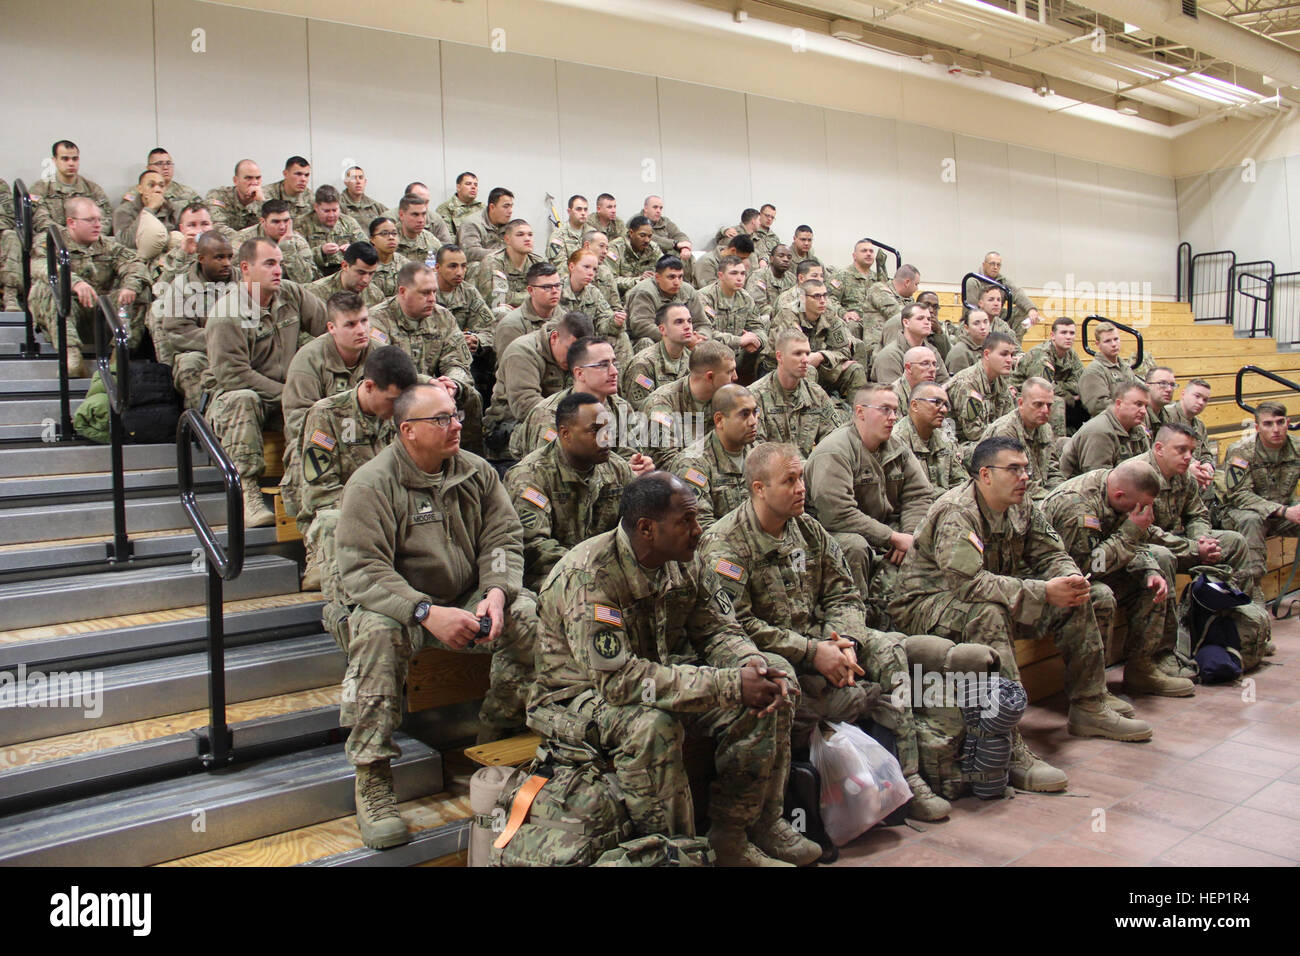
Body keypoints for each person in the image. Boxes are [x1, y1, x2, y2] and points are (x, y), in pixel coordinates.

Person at [528, 471, 808, 866]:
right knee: (652, 725)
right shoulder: (589, 576)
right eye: (686, 521)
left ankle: (736, 833)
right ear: (646, 528)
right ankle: (674, 853)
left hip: (655, 678)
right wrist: (729, 685)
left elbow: (718, 630)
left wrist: (751, 664)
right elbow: (618, 681)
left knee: (773, 684)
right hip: (576, 700)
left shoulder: (684, 560)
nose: (698, 530)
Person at [698, 441, 952, 821]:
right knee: (779, 678)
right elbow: (736, 625)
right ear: (759, 489)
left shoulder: (807, 528)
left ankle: (908, 777)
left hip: (824, 643)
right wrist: (812, 652)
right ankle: (780, 812)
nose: (802, 488)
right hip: (777, 652)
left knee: (887, 650)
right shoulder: (725, 546)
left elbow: (844, 592)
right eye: (790, 481)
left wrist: (843, 642)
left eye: (801, 478)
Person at [889, 437, 1155, 793]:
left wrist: (1068, 576)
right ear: (985, 474)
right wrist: (1043, 591)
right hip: (926, 605)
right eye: (1013, 469)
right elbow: (968, 586)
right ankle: (1008, 745)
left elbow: (1050, 552)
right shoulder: (958, 511)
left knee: (1083, 598)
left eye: (1026, 468)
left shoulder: (1021, 504)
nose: (1024, 477)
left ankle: (1089, 705)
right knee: (988, 614)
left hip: (985, 595)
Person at [336, 381, 539, 847]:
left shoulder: (476, 471)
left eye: (456, 416)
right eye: (442, 419)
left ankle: (503, 728)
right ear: (408, 430)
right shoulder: (373, 483)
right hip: (402, 608)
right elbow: (363, 572)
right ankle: (373, 776)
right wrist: (425, 611)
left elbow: (504, 538)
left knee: (529, 613)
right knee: (375, 634)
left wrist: (496, 592)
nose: (456, 425)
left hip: (467, 596)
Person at [1042, 460, 1195, 698]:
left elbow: (1134, 543)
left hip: (1092, 568)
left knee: (1150, 584)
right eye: (1141, 507)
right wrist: (1131, 531)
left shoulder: (1121, 494)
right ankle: (1093, 690)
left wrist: (1150, 571)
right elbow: (1085, 567)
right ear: (1119, 495)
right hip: (1059, 580)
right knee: (1100, 594)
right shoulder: (1076, 505)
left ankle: (1141, 669)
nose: (1147, 514)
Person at [203, 238, 328, 527]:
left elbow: (329, 327)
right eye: (269, 263)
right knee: (242, 399)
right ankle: (247, 493)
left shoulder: (291, 294)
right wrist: (291, 395)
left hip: (283, 396)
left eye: (280, 263)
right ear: (245, 268)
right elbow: (233, 375)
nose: (278, 270)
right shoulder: (227, 313)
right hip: (236, 400)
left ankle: (314, 489)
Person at [299, 345, 416, 616]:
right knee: (334, 521)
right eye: (393, 400)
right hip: (342, 510)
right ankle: (350, 615)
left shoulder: (402, 414)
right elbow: (319, 491)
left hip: (391, 509)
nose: (399, 409)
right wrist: (374, 509)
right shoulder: (326, 415)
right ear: (369, 387)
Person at [804, 383, 935, 622]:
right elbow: (837, 514)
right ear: (860, 412)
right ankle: (856, 618)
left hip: (884, 530)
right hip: (833, 533)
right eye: (884, 409)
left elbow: (919, 495)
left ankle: (910, 615)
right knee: (855, 545)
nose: (893, 417)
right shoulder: (835, 451)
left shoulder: (896, 448)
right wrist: (892, 538)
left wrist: (909, 535)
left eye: (895, 410)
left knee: (928, 537)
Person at [280, 290, 384, 547]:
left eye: (364, 321)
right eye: (350, 324)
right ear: (331, 328)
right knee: (303, 455)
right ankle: (317, 545)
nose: (360, 329)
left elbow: (400, 397)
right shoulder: (309, 359)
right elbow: (297, 422)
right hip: (322, 440)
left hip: (371, 437)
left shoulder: (380, 354)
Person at [505, 391, 634, 590]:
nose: (606, 438)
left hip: (607, 571)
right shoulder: (530, 476)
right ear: (566, 434)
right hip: (550, 578)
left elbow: (632, 525)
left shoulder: (617, 468)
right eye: (595, 430)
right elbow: (534, 546)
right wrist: (593, 568)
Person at [368, 262, 483, 455]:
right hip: (396, 388)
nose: (432, 299)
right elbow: (386, 368)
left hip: (438, 388)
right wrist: (429, 384)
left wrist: (452, 383)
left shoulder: (443, 316)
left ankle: (467, 457)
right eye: (424, 293)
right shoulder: (378, 319)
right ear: (403, 291)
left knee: (470, 396)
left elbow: (457, 360)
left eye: (434, 292)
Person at [29, 197, 148, 377]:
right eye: (90, 220)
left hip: (99, 315)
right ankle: (72, 356)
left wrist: (129, 287)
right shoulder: (52, 241)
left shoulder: (107, 245)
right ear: (71, 222)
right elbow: (39, 265)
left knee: (139, 289)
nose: (98, 225)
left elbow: (136, 264)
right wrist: (74, 282)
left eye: (99, 219)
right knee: (47, 287)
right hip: (65, 316)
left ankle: (119, 357)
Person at [1136, 422, 1253, 598]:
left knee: (1234, 541)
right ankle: (1174, 622)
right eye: (1181, 450)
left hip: (1180, 542)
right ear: (1159, 448)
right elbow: (1145, 532)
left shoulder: (1184, 475)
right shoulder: (1139, 475)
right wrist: (1196, 548)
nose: (1188, 457)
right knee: (1162, 556)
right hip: (1145, 547)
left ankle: (1238, 606)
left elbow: (1197, 514)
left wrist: (1202, 540)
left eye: (1191, 451)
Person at [510, 337, 654, 470]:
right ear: (579, 373)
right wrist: (620, 471)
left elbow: (629, 453)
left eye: (614, 363)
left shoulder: (620, 406)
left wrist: (637, 465)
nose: (614, 371)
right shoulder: (549, 414)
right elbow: (546, 470)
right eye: (603, 365)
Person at [1216, 401, 1300, 593]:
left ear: (1288, 422)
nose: (1276, 429)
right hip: (1242, 513)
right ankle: (1252, 591)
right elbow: (1239, 495)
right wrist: (1284, 511)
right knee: (1251, 520)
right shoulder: (1241, 451)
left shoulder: (1297, 447)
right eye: (1268, 424)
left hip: (1281, 511)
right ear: (1257, 427)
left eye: (1280, 422)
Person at [484, 311, 594, 443]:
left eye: (581, 352)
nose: (575, 358)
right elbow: (525, 406)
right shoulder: (521, 353)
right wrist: (576, 422)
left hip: (561, 419)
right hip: (511, 429)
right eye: (571, 350)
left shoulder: (580, 356)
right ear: (554, 337)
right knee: (562, 441)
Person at [668, 383, 760, 531]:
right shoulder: (693, 464)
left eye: (755, 412)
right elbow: (701, 528)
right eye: (744, 414)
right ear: (719, 420)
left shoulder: (760, 454)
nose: (753, 421)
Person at [158, 230, 234, 407]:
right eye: (219, 258)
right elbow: (178, 331)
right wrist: (223, 341)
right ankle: (200, 426)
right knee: (189, 364)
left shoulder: (245, 282)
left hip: (244, 351)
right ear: (201, 259)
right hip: (201, 353)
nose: (227, 263)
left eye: (230, 257)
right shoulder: (181, 286)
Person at [750, 328, 844, 457]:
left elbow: (835, 438)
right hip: (772, 471)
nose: (805, 359)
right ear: (779, 356)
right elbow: (756, 450)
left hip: (809, 472)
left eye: (807, 353)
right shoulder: (754, 396)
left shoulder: (816, 395)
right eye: (798, 353)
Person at [642, 340, 738, 466]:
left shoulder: (726, 398)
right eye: (729, 372)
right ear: (710, 377)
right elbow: (666, 462)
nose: (735, 377)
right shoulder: (661, 404)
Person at [771, 279, 866, 403]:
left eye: (825, 295)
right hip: (785, 370)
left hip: (821, 368)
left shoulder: (829, 314)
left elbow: (843, 351)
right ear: (803, 299)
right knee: (808, 369)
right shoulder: (788, 314)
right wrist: (810, 360)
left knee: (856, 370)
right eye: (816, 296)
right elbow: (788, 354)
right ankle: (808, 415)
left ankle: (857, 417)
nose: (822, 300)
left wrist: (822, 356)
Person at [982, 377, 1062, 501]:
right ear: (1020, 403)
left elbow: (1053, 470)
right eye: (1038, 404)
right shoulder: (1005, 431)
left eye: (1049, 405)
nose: (1045, 410)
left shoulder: (1045, 428)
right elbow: (1011, 480)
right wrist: (1051, 499)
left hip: (1041, 494)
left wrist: (1061, 493)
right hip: (1011, 498)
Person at [1060, 381, 1152, 478]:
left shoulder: (1137, 429)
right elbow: (1098, 482)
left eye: (1146, 406)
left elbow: (1148, 470)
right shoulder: (1099, 431)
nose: (1144, 411)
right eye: (1138, 404)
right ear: (1119, 403)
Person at [695, 254, 766, 380]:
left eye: (743, 273)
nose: (739, 278)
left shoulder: (745, 297)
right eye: (734, 273)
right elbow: (706, 334)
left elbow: (758, 326)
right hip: (712, 357)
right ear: (721, 275)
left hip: (738, 355)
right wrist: (739, 341)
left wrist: (757, 341)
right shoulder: (705, 297)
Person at [1012, 316, 1084, 437]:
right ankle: (1055, 446)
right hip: (1021, 394)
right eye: (1063, 332)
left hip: (1054, 395)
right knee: (1056, 402)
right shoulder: (1041, 354)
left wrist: (1059, 386)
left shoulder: (1071, 354)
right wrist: (1069, 396)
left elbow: (1081, 382)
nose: (1068, 337)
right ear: (1052, 335)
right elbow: (1043, 389)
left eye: (1072, 333)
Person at [945, 331, 1017, 453]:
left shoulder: (999, 381)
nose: (1010, 360)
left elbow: (1010, 418)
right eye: (1004, 354)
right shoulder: (968, 383)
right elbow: (974, 433)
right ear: (987, 354)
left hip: (990, 440)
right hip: (961, 447)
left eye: (1011, 355)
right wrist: (1006, 434)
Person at [892, 382, 965, 491]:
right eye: (937, 402)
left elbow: (960, 481)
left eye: (946, 404)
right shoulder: (896, 442)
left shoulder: (943, 439)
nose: (944, 410)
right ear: (915, 406)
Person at [624, 254, 707, 351]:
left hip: (683, 338)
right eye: (671, 277)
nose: (677, 282)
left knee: (710, 344)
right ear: (657, 277)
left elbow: (702, 323)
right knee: (646, 342)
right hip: (650, 340)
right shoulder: (644, 292)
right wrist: (680, 338)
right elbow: (642, 327)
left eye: (680, 277)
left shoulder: (688, 290)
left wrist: (700, 338)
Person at [561, 248, 629, 366]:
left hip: (587, 341)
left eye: (594, 269)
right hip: (562, 341)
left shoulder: (593, 292)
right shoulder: (557, 289)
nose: (591, 273)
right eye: (586, 267)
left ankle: (618, 380)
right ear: (571, 267)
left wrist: (614, 321)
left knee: (621, 337)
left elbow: (603, 319)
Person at [621, 302, 696, 408]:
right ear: (662, 329)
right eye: (679, 322)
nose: (687, 327)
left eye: (689, 321)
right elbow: (641, 410)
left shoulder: (694, 360)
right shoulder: (643, 364)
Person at [31, 140, 111, 234]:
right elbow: (41, 220)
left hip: (88, 240)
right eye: (65, 159)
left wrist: (86, 236)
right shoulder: (41, 189)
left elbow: (105, 220)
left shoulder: (92, 190)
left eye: (75, 159)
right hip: (54, 240)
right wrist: (70, 236)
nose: (71, 163)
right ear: (54, 161)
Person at [432, 244, 495, 358]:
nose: (459, 272)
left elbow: (490, 328)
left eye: (463, 266)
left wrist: (476, 340)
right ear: (437, 267)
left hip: (462, 355)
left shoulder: (469, 292)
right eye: (453, 266)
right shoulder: (425, 291)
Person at [474, 219, 545, 320]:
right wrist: (535, 297)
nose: (527, 239)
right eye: (520, 235)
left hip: (529, 311)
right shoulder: (493, 262)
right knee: (502, 312)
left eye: (530, 235)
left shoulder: (538, 262)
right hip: (494, 318)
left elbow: (547, 293)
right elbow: (496, 299)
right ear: (507, 239)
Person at [233, 199, 316, 284]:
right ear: (263, 222)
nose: (282, 227)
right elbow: (235, 275)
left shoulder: (297, 240)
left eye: (286, 221)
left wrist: (287, 248)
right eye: (276, 222)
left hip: (287, 292)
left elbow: (306, 280)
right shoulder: (243, 239)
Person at [962, 252, 1041, 341]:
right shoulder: (973, 281)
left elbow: (1018, 293)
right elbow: (970, 311)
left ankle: (1014, 344)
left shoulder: (1003, 281)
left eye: (998, 265)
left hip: (997, 317)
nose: (995, 267)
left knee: (1024, 310)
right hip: (978, 319)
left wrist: (1031, 309)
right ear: (984, 265)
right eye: (992, 264)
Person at [493, 261, 563, 358]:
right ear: (531, 290)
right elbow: (509, 366)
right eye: (547, 287)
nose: (555, 291)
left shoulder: (567, 321)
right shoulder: (512, 325)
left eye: (558, 285)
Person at [871, 303, 949, 386]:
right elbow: (891, 393)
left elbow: (944, 383)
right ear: (906, 322)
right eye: (920, 318)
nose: (927, 322)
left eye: (929, 319)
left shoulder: (932, 351)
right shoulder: (889, 355)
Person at [297, 185, 365, 275]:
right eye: (326, 211)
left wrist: (353, 250)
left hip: (345, 274)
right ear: (316, 207)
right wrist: (321, 252)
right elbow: (296, 259)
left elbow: (367, 249)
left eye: (335, 210)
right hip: (314, 276)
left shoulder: (349, 222)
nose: (331, 215)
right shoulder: (301, 224)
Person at [1080, 322, 1139, 417]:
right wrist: (1131, 407)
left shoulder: (1125, 367)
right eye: (1107, 341)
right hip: (1109, 424)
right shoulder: (1094, 371)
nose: (1114, 344)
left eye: (1116, 339)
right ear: (1098, 344)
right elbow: (1098, 407)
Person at [303, 240, 384, 309]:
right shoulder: (316, 293)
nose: (366, 280)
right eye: (361, 272)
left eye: (371, 273)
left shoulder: (375, 295)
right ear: (345, 266)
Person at [112, 168, 178, 250]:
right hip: (135, 258)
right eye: (151, 185)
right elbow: (126, 242)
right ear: (140, 189)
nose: (157, 190)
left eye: (161, 186)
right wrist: (149, 209)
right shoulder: (123, 211)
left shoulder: (173, 209)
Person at [607, 215, 664, 297]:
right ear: (631, 233)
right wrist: (638, 280)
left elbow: (665, 269)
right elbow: (610, 281)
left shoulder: (653, 248)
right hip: (620, 297)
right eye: (642, 235)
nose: (647, 240)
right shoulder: (615, 248)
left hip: (649, 293)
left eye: (649, 236)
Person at [206, 159, 265, 235]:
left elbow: (273, 229)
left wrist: (262, 203)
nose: (254, 183)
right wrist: (243, 239)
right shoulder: (218, 195)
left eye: (258, 178)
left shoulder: (264, 198)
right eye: (248, 178)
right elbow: (216, 228)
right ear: (235, 181)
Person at [642, 195, 693, 277]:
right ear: (646, 208)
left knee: (687, 255)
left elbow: (679, 234)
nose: (658, 211)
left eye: (660, 208)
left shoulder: (664, 221)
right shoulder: (637, 221)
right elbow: (651, 237)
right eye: (655, 207)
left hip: (666, 255)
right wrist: (675, 244)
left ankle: (685, 283)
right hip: (648, 258)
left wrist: (685, 248)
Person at [459, 186, 514, 262]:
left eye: (511, 206)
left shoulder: (511, 225)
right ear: (492, 207)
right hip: (479, 266)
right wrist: (503, 255)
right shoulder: (472, 223)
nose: (510, 211)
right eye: (506, 207)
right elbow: (470, 252)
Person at [366, 217, 408, 300]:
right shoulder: (364, 264)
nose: (391, 237)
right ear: (372, 239)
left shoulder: (405, 264)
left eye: (394, 233)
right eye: (384, 233)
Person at [746, 243, 793, 317]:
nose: (786, 259)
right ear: (771, 258)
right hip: (763, 320)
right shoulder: (759, 275)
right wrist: (783, 313)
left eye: (789, 257)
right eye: (781, 256)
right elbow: (757, 306)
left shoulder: (792, 279)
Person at [264, 155, 314, 220]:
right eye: (298, 174)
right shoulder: (267, 194)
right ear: (285, 174)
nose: (303, 179)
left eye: (306, 175)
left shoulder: (310, 197)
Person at [943, 307, 990, 375]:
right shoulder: (960, 352)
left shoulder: (991, 347)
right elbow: (959, 383)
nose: (983, 327)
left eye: (985, 322)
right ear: (966, 328)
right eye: (976, 323)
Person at [436, 172, 484, 239]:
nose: (473, 187)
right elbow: (447, 238)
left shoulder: (482, 208)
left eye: (475, 185)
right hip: (460, 248)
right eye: (468, 184)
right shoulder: (446, 208)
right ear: (458, 187)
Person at [547, 194, 589, 265]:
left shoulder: (593, 233)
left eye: (585, 209)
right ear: (569, 211)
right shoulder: (558, 236)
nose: (583, 213)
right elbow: (558, 266)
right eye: (579, 209)